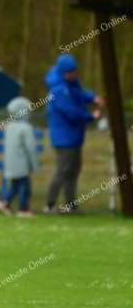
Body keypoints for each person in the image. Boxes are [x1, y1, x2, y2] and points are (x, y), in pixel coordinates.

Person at [43, 54, 103, 213]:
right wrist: (91, 117)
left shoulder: (70, 84)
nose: (75, 75)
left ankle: (71, 204)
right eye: (72, 72)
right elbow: (71, 113)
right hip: (64, 138)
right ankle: (50, 204)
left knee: (73, 170)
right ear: (64, 73)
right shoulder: (59, 90)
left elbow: (80, 93)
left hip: (74, 136)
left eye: (75, 71)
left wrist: (93, 97)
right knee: (62, 171)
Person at [0, 97, 41, 218]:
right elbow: (30, 148)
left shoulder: (10, 127)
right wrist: (34, 164)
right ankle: (23, 208)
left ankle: (4, 202)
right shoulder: (26, 128)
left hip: (11, 162)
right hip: (22, 163)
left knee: (15, 185)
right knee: (25, 186)